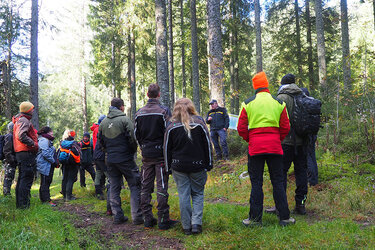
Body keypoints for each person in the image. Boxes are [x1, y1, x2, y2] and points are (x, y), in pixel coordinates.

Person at [237, 71, 295, 226]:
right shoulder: (278, 103)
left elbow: (241, 128)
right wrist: (277, 139)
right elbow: (285, 127)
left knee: (256, 183)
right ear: (267, 85)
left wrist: (252, 139)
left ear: (255, 86)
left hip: (255, 148)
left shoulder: (248, 103)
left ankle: (255, 219)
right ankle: (284, 217)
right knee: (278, 181)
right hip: (275, 147)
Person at [164, 98, 213, 235]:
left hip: (178, 166)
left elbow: (166, 148)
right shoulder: (199, 123)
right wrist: (209, 164)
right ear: (191, 106)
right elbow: (207, 145)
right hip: (198, 165)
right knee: (197, 193)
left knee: (184, 195)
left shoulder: (171, 125)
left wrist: (168, 168)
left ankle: (186, 226)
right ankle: (196, 224)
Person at [135, 83, 178, 230]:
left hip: (146, 154)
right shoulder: (163, 111)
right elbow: (169, 131)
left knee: (145, 186)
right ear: (158, 94)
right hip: (160, 154)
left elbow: (136, 134)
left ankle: (148, 218)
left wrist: (143, 146)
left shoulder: (139, 113)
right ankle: (163, 219)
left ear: (148, 95)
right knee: (162, 186)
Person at [99, 97, 143, 225]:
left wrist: (108, 151)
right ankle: (137, 216)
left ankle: (117, 215)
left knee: (114, 186)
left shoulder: (103, 123)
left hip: (110, 159)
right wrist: (132, 151)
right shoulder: (124, 120)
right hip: (125, 158)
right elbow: (133, 139)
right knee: (135, 184)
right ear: (121, 107)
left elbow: (100, 141)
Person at [276, 73, 309, 215]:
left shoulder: (281, 98)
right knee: (301, 173)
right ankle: (300, 204)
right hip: (303, 142)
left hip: (285, 142)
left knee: (281, 174)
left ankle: (281, 206)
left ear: (283, 84)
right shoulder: (304, 96)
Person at [12, 101, 38, 209]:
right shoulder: (24, 120)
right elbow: (21, 135)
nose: (33, 110)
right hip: (26, 153)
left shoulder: (20, 120)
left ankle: (21, 205)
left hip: (21, 153)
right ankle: (23, 205)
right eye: (32, 109)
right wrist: (33, 144)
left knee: (23, 178)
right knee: (26, 178)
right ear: (28, 110)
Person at [301, 87, 319, 186]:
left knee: (307, 157)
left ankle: (311, 181)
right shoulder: (313, 103)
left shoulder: (302, 103)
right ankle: (314, 179)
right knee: (312, 155)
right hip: (313, 133)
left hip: (305, 134)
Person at [36, 126, 57, 206]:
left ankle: (45, 200)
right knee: (45, 182)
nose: (52, 133)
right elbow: (45, 154)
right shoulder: (44, 140)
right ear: (47, 132)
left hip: (46, 164)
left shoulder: (46, 140)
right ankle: (46, 201)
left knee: (46, 182)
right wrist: (53, 161)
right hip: (44, 164)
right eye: (51, 132)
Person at [60, 129, 81, 201]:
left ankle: (64, 196)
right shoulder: (74, 143)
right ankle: (69, 197)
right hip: (73, 163)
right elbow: (78, 153)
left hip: (64, 163)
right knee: (70, 179)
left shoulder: (62, 143)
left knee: (64, 179)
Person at [91, 115, 107, 200]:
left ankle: (98, 193)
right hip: (101, 156)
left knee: (98, 174)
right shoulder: (101, 130)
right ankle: (108, 193)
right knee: (108, 174)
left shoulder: (95, 129)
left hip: (96, 154)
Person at [2, 122, 17, 196]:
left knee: (10, 177)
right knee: (8, 177)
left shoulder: (10, 136)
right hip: (9, 161)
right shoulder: (10, 136)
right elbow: (7, 150)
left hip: (10, 160)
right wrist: (12, 159)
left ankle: (7, 193)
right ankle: (6, 194)